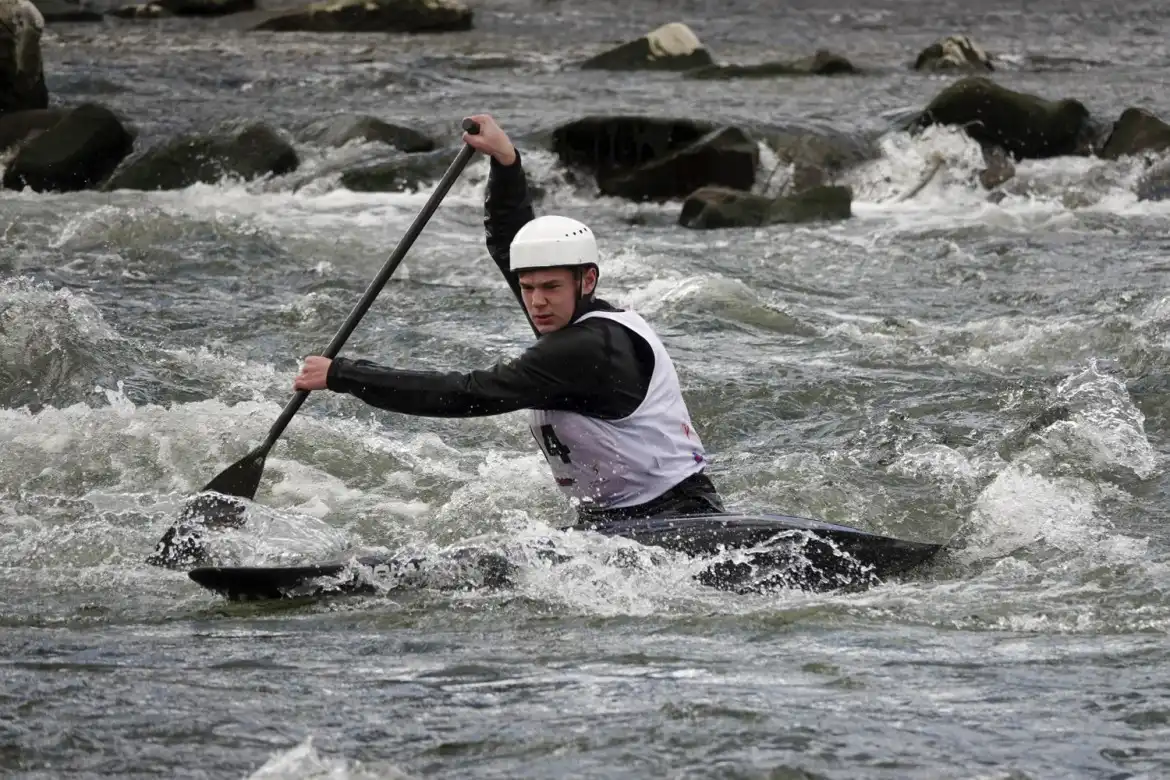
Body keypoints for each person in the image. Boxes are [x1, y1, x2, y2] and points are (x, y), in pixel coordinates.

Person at [294, 114, 724, 523]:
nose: (536, 302)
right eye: (527, 287)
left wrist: (345, 375)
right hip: (613, 520)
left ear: (588, 280)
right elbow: (508, 243)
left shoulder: (586, 348)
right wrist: (505, 162)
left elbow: (466, 394)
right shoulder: (565, 314)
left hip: (677, 515)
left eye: (550, 287)